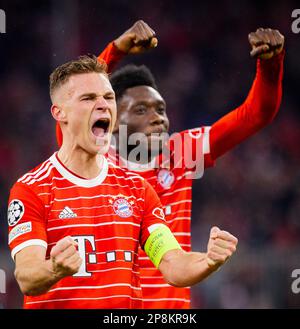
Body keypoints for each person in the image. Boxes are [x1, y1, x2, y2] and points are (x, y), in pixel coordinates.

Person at [78, 21, 282, 309]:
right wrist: (115, 50)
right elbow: (74, 113)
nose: (158, 117)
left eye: (160, 109)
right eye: (141, 110)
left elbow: (256, 114)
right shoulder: (91, 160)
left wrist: (270, 66)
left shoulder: (181, 152)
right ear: (110, 121)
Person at [7, 55, 238, 309]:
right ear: (59, 112)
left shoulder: (137, 189)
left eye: (108, 97)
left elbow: (173, 265)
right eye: (88, 98)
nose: (103, 105)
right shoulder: (31, 189)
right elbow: (26, 276)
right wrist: (54, 269)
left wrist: (208, 261)